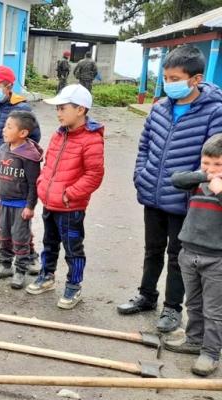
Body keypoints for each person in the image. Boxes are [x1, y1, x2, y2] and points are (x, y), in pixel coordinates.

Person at [117, 45, 222, 333]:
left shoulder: (215, 112)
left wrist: (189, 184)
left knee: (178, 256)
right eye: (165, 77)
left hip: (186, 200)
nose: (168, 83)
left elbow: (215, 161)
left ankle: (172, 309)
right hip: (153, 193)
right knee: (152, 249)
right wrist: (142, 174)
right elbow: (144, 145)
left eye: (175, 77)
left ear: (195, 79)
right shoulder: (160, 107)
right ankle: (146, 296)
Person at [26, 84, 104, 310]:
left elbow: (94, 175)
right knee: (49, 243)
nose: (58, 113)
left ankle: (74, 284)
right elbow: (49, 162)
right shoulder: (59, 134)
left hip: (71, 207)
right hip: (50, 203)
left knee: (73, 248)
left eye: (63, 108)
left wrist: (69, 194)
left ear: (80, 110)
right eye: (57, 109)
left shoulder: (91, 139)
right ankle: (47, 275)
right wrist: (42, 184)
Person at [164, 134, 222, 376]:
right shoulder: (197, 180)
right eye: (206, 162)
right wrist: (205, 175)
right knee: (194, 303)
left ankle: (210, 353)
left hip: (216, 260)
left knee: (214, 310)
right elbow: (177, 179)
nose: (210, 169)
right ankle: (194, 339)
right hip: (189, 252)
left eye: (218, 164)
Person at [0, 65, 41, 266]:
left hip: (15, 171)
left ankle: (27, 253)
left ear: (8, 86)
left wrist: (18, 159)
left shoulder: (22, 109)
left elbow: (34, 138)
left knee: (18, 216)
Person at [0, 111, 43, 289]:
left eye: (9, 127)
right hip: (4, 202)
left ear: (23, 133)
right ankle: (6, 265)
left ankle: (20, 270)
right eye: (5, 126)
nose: (4, 130)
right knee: (4, 236)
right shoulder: (2, 149)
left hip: (21, 205)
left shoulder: (29, 156)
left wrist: (30, 206)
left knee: (20, 238)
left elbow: (33, 184)